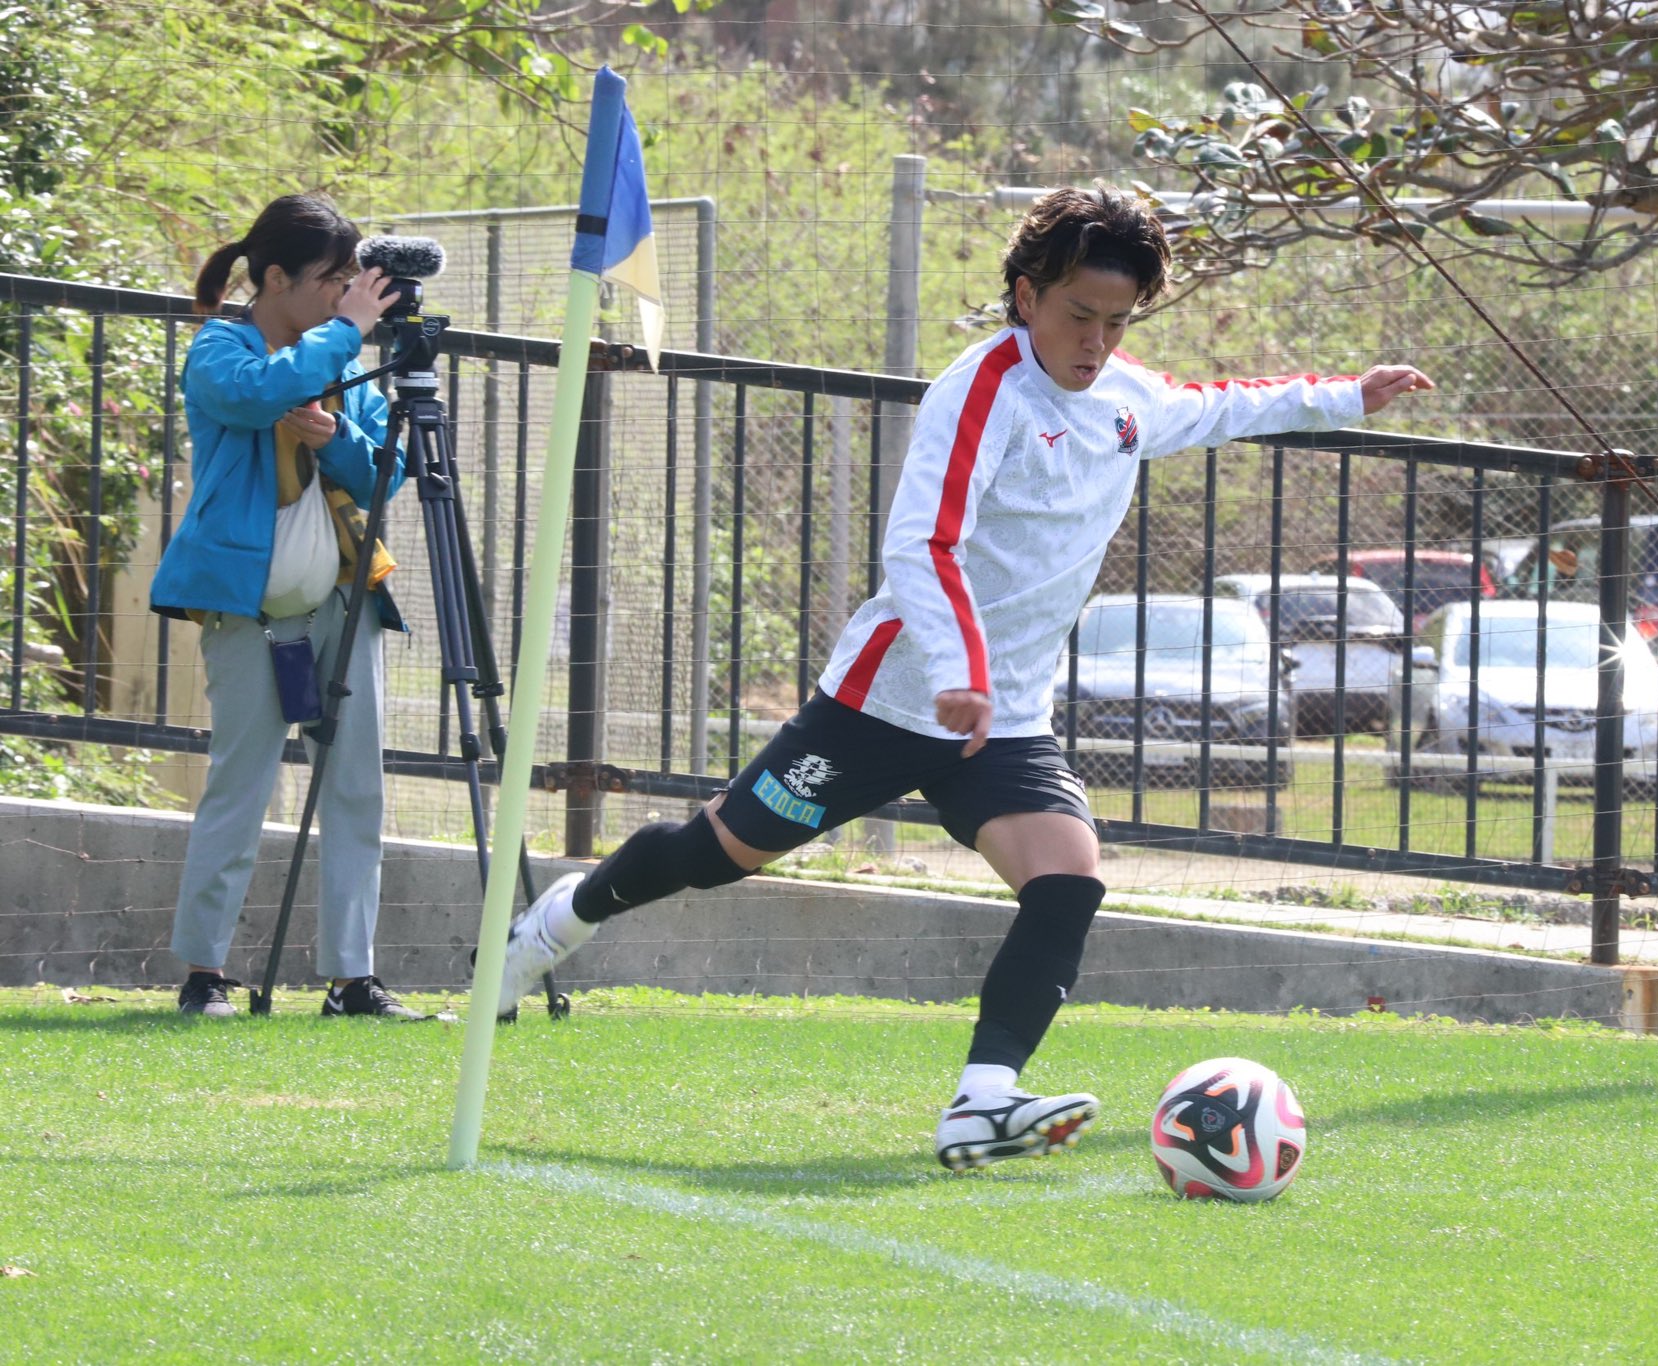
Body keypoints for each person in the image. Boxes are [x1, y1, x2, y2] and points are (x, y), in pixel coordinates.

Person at [499, 186, 1434, 1164]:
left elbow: (1220, 407)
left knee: (1067, 878)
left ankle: (982, 1101)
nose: (1097, 342)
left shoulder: (1127, 399)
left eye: (1118, 322)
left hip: (1003, 721)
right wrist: (958, 669)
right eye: (1079, 315)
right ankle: (557, 923)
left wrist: (1346, 395)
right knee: (719, 851)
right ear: (1027, 296)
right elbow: (924, 544)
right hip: (888, 701)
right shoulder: (982, 391)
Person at [153, 193, 424, 1020]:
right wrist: (345, 332)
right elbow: (254, 394)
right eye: (333, 280)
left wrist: (335, 439)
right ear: (275, 279)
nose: (347, 295)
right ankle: (204, 973)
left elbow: (385, 476)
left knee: (356, 787)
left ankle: (352, 978)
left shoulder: (336, 359)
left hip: (344, 594)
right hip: (247, 604)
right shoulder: (221, 348)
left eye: (352, 281)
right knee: (241, 784)